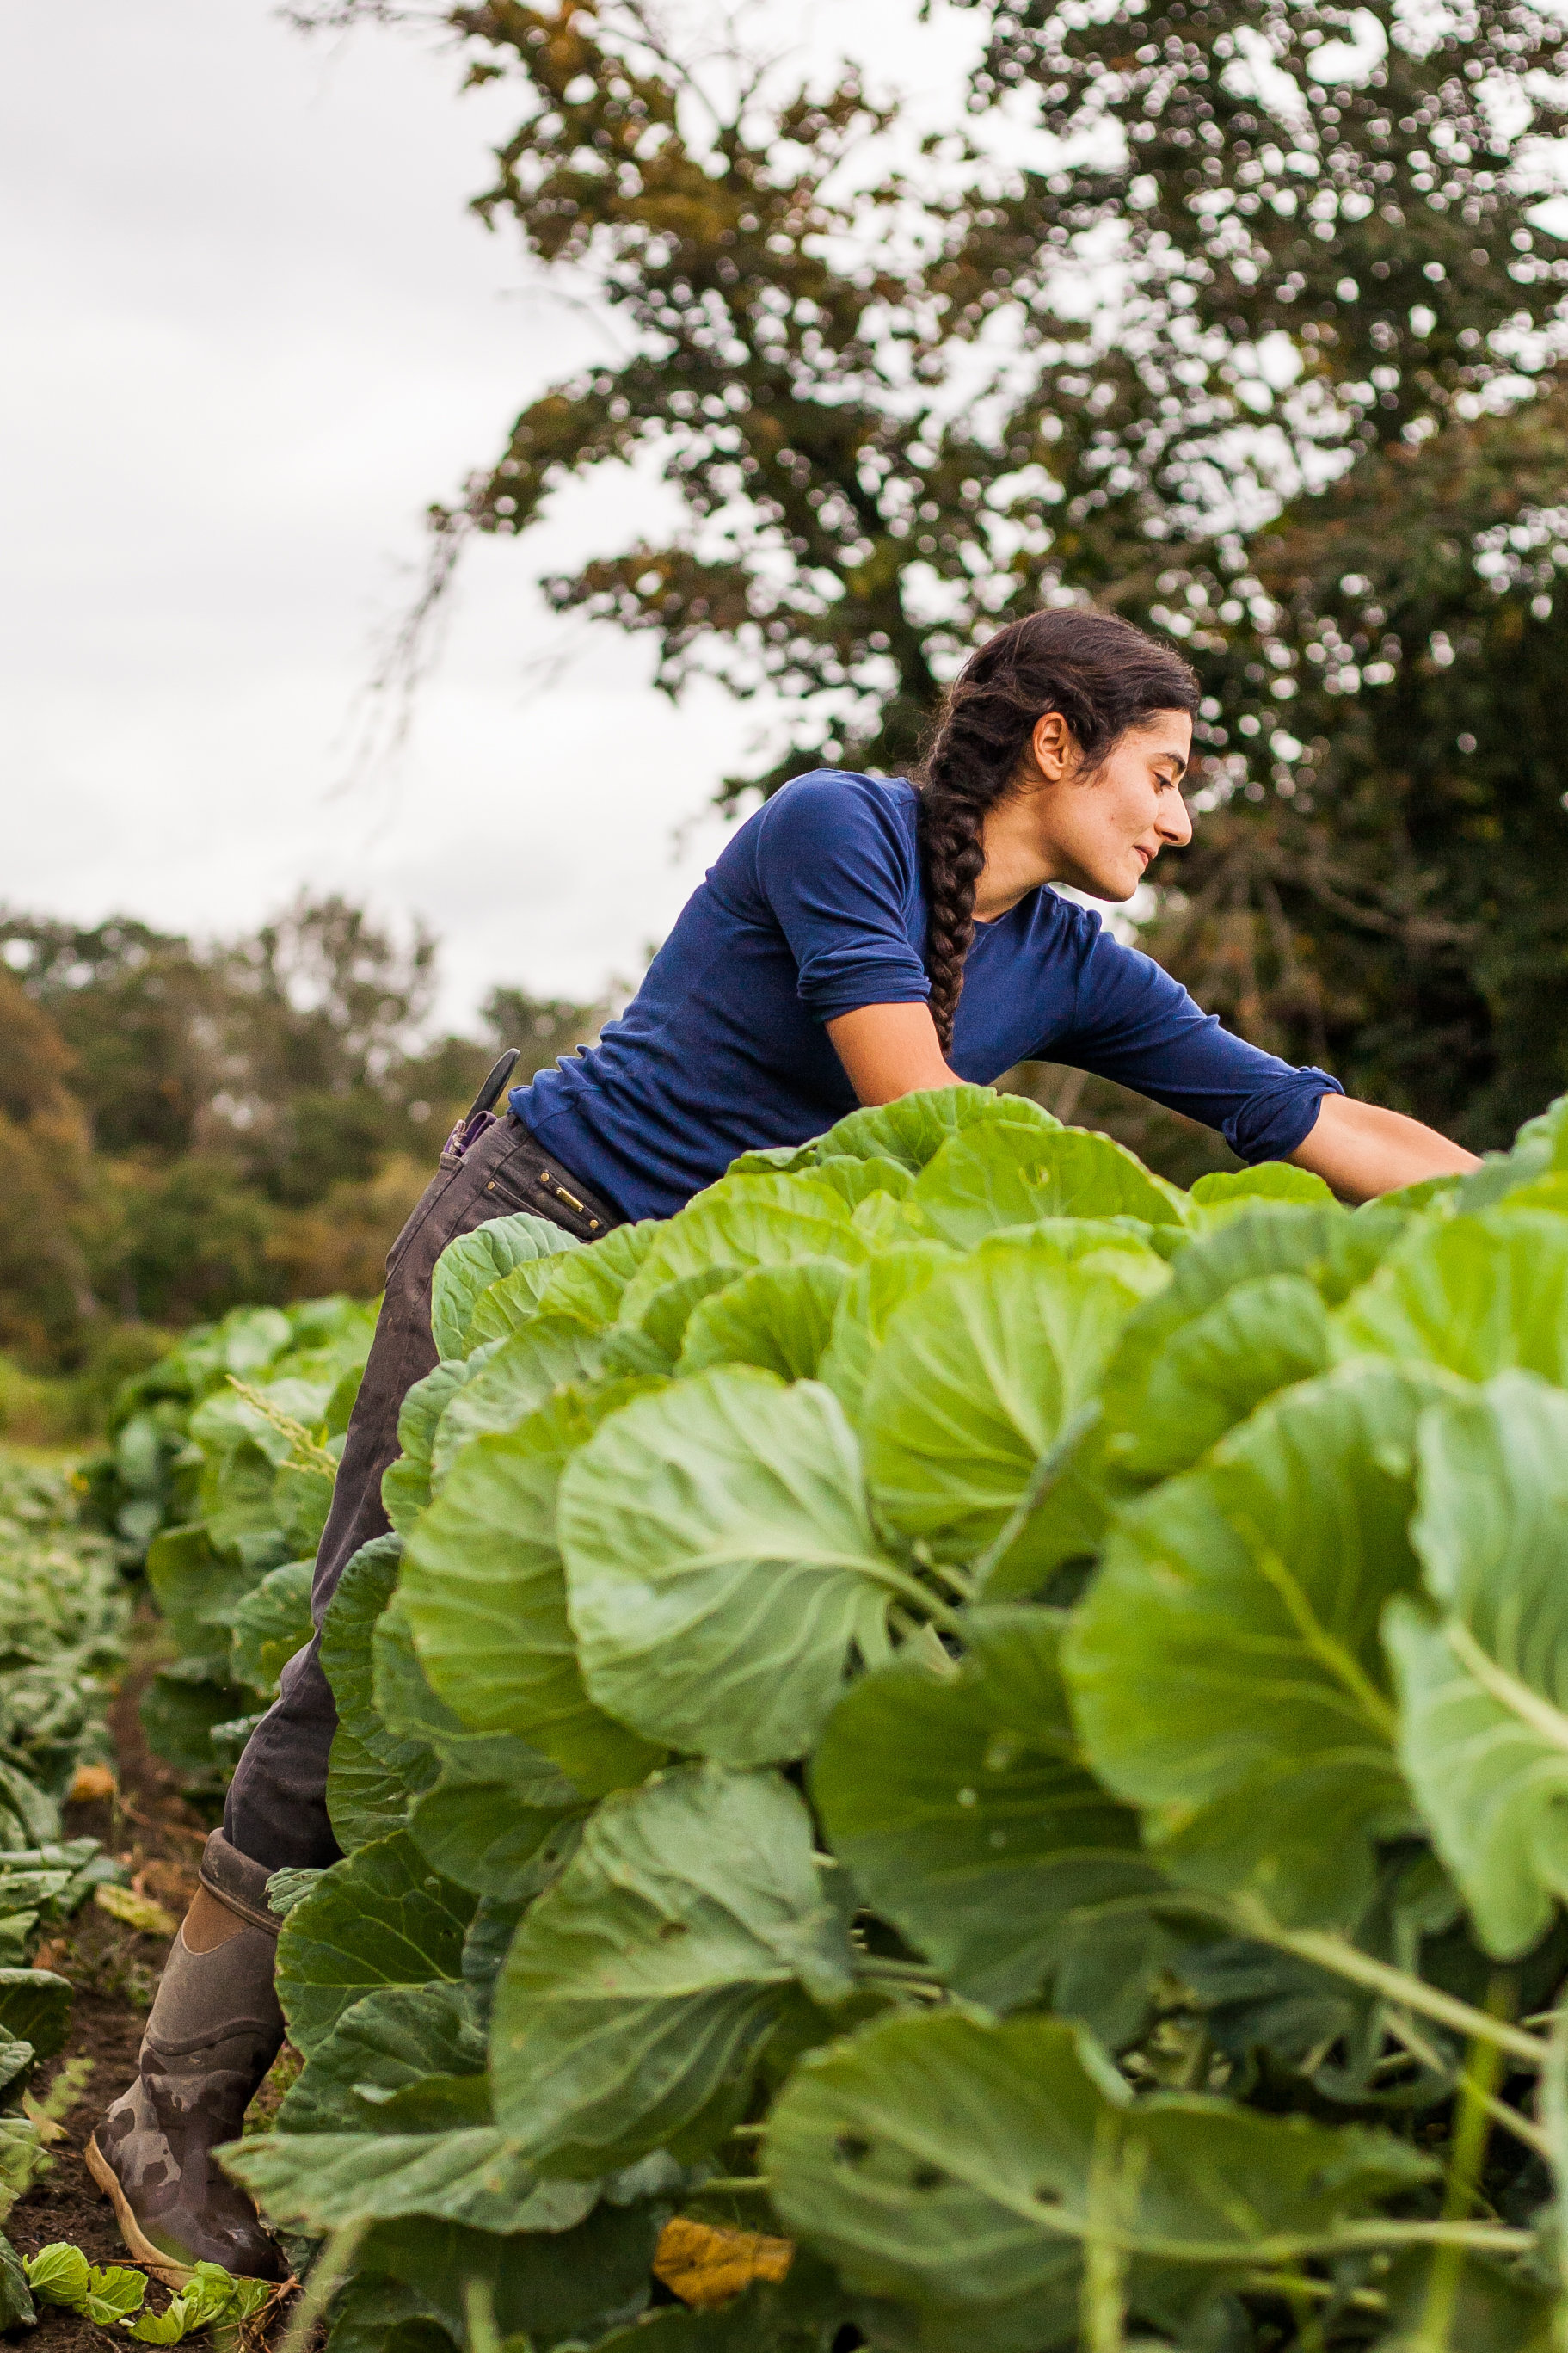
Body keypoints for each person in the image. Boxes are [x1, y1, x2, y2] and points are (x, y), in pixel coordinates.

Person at [88, 607, 1479, 2278]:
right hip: (540, 1246)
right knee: (362, 1645)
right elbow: (912, 1121)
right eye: (1163, 777)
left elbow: (1317, 1117)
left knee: (653, 1719)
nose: (1178, 824)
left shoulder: (1074, 959)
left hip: (714, 1321)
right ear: (1057, 746)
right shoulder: (841, 831)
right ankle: (164, 2110)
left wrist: (1520, 1223)